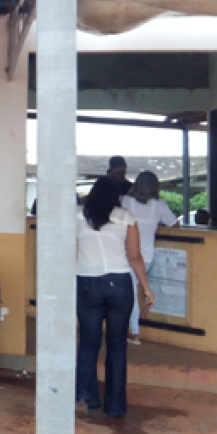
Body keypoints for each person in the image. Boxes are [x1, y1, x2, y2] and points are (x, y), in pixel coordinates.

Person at [76, 177, 155, 418]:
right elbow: (135, 257)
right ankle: (116, 406)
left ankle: (87, 399)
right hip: (120, 284)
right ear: (115, 197)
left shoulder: (77, 216)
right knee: (117, 345)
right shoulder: (125, 218)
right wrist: (146, 287)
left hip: (88, 283)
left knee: (89, 343)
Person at [120, 171, 177, 344]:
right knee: (133, 291)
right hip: (147, 257)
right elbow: (175, 224)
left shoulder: (125, 201)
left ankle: (135, 333)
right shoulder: (159, 205)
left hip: (126, 254)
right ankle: (133, 329)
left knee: (129, 293)